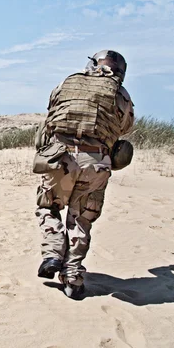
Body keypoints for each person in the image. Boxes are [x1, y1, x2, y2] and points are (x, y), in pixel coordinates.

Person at [34, 50, 134, 299]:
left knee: (49, 207)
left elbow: (51, 111)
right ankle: (73, 279)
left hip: (59, 156)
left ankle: (53, 253)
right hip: (96, 161)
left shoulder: (66, 82)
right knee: (81, 220)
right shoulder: (120, 93)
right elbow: (126, 126)